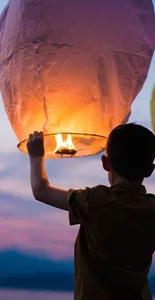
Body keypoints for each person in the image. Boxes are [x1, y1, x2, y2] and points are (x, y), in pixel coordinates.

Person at [27, 123, 155, 300]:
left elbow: (40, 190)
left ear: (105, 163)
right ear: (150, 170)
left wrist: (35, 156)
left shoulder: (95, 201)